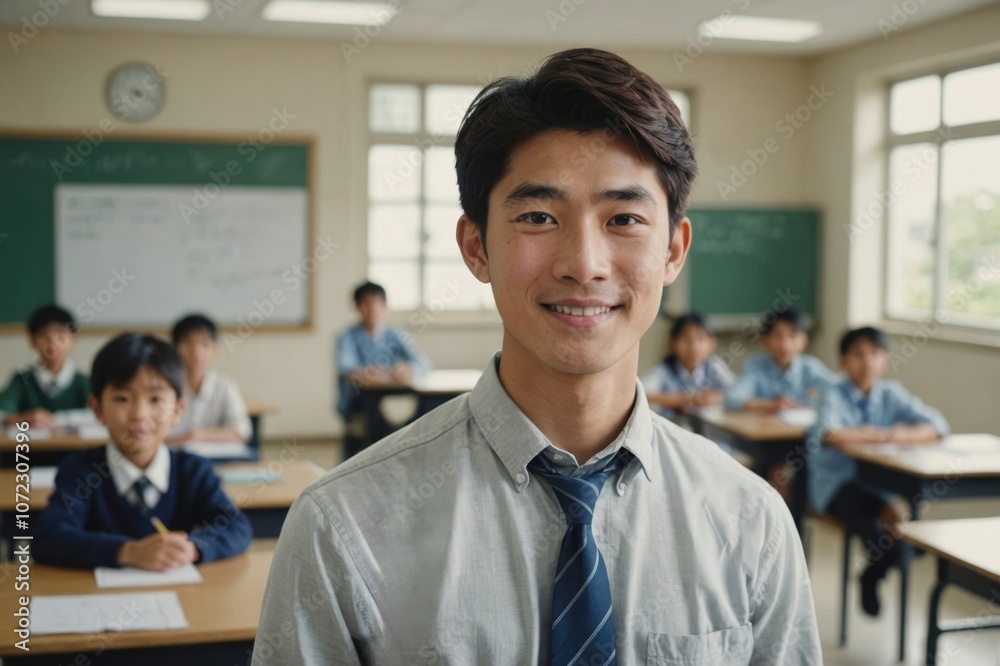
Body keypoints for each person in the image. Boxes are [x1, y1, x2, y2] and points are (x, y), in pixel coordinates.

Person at [254, 48, 820, 664]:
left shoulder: (750, 521)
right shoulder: (343, 527)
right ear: (476, 247)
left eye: (624, 217)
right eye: (539, 216)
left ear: (674, 251)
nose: (583, 263)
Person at [34, 333, 252, 570]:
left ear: (178, 410)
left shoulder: (192, 470)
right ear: (97, 409)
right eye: (122, 398)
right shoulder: (80, 471)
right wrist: (128, 551)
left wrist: (193, 548)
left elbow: (236, 526)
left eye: (156, 399)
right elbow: (48, 537)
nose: (139, 414)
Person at [809, 326, 948, 617]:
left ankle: (874, 572)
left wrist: (895, 436)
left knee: (898, 525)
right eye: (858, 354)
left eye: (875, 353)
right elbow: (830, 433)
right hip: (834, 484)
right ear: (843, 360)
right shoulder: (832, 392)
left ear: (885, 360)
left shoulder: (890, 393)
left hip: (874, 485)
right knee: (877, 533)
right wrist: (882, 434)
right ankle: (883, 566)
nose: (867, 361)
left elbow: (937, 424)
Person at [335, 281, 430, 458]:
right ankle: (384, 443)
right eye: (365, 304)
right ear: (357, 307)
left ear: (384, 306)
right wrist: (367, 372)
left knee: (431, 403)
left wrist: (408, 369)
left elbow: (422, 362)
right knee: (371, 418)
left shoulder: (395, 335)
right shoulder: (347, 336)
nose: (372, 309)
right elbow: (345, 367)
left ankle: (403, 437)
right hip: (359, 398)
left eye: (376, 303)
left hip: (391, 393)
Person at [725, 308, 836, 413]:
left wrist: (815, 401)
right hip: (764, 430)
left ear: (804, 341)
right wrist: (772, 405)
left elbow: (838, 389)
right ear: (766, 341)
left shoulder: (811, 367)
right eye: (777, 336)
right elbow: (731, 399)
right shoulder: (755, 366)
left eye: (792, 336)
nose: (785, 344)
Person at [167, 313, 252, 444]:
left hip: (218, 458)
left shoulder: (225, 387)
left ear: (215, 349)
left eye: (204, 344)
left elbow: (242, 432)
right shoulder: (166, 386)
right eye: (187, 342)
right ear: (174, 348)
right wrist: (184, 439)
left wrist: (200, 435)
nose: (195, 351)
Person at [0, 304, 89, 428]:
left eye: (60, 336)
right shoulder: (22, 380)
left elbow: (100, 415)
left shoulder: (85, 382)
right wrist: (26, 418)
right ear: (32, 340)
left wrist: (57, 420)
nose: (52, 344)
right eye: (43, 335)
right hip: (29, 447)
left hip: (77, 447)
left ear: (73, 340)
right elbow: (2, 413)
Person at [642, 312, 734, 419]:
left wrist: (713, 398)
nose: (694, 347)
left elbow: (736, 392)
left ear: (712, 343)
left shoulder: (713, 366)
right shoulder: (664, 370)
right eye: (686, 340)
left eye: (700, 339)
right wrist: (686, 400)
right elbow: (643, 394)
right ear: (673, 345)